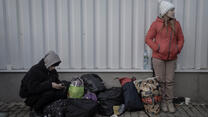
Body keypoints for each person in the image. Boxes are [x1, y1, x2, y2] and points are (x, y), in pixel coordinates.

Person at [145, 0, 184, 113]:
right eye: (171, 10)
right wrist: (157, 48)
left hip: (172, 58)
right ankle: (162, 102)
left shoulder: (176, 24)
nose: (173, 12)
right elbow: (147, 38)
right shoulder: (156, 24)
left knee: (170, 81)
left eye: (173, 10)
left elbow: (181, 39)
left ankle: (169, 102)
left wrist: (177, 49)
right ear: (165, 11)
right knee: (160, 81)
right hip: (158, 58)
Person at [19, 51, 66, 115]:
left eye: (55, 66)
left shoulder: (51, 70)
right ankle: (36, 109)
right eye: (53, 66)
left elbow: (56, 80)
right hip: (30, 96)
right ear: (48, 63)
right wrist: (50, 85)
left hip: (42, 92)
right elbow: (32, 88)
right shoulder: (35, 70)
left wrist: (60, 84)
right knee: (49, 93)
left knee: (62, 90)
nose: (54, 68)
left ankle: (46, 106)